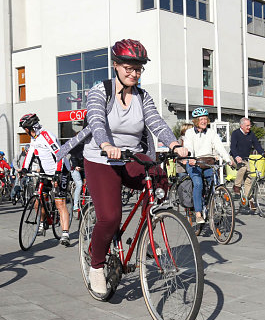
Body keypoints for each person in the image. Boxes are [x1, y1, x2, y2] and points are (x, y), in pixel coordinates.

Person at [56, 39, 188, 295]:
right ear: (115, 65)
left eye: (138, 68)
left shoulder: (142, 96)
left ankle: (150, 230)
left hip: (132, 156)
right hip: (101, 158)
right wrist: (105, 143)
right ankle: (96, 266)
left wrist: (173, 144)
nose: (133, 73)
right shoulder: (100, 91)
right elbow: (95, 119)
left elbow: (156, 122)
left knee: (159, 175)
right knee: (110, 217)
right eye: (128, 67)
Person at [19, 114, 72, 245]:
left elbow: (60, 153)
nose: (24, 131)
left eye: (25, 128)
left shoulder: (46, 135)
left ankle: (65, 234)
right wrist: (24, 168)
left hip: (60, 171)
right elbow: (30, 153)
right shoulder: (34, 138)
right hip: (45, 172)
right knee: (37, 200)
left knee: (60, 203)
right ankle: (42, 223)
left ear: (30, 127)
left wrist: (58, 173)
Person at [183, 107, 231, 223]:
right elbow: (188, 147)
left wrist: (228, 160)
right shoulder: (189, 133)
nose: (204, 121)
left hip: (208, 162)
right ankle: (198, 213)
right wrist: (191, 158)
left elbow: (220, 147)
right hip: (194, 162)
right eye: (201, 119)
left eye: (205, 119)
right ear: (196, 121)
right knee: (198, 184)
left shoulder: (211, 132)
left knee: (215, 182)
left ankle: (212, 206)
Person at [229, 117, 265, 210]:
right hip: (234, 157)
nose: (249, 127)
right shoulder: (236, 133)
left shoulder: (251, 134)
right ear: (241, 126)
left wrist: (262, 152)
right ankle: (236, 187)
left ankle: (247, 199)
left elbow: (257, 145)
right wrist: (236, 156)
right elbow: (233, 147)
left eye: (250, 125)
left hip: (245, 159)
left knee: (248, 179)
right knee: (243, 168)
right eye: (247, 125)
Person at [70, 142, 84, 213]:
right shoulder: (76, 146)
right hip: (75, 168)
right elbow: (73, 157)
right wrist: (75, 166)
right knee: (79, 184)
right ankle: (75, 205)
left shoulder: (87, 146)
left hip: (83, 168)